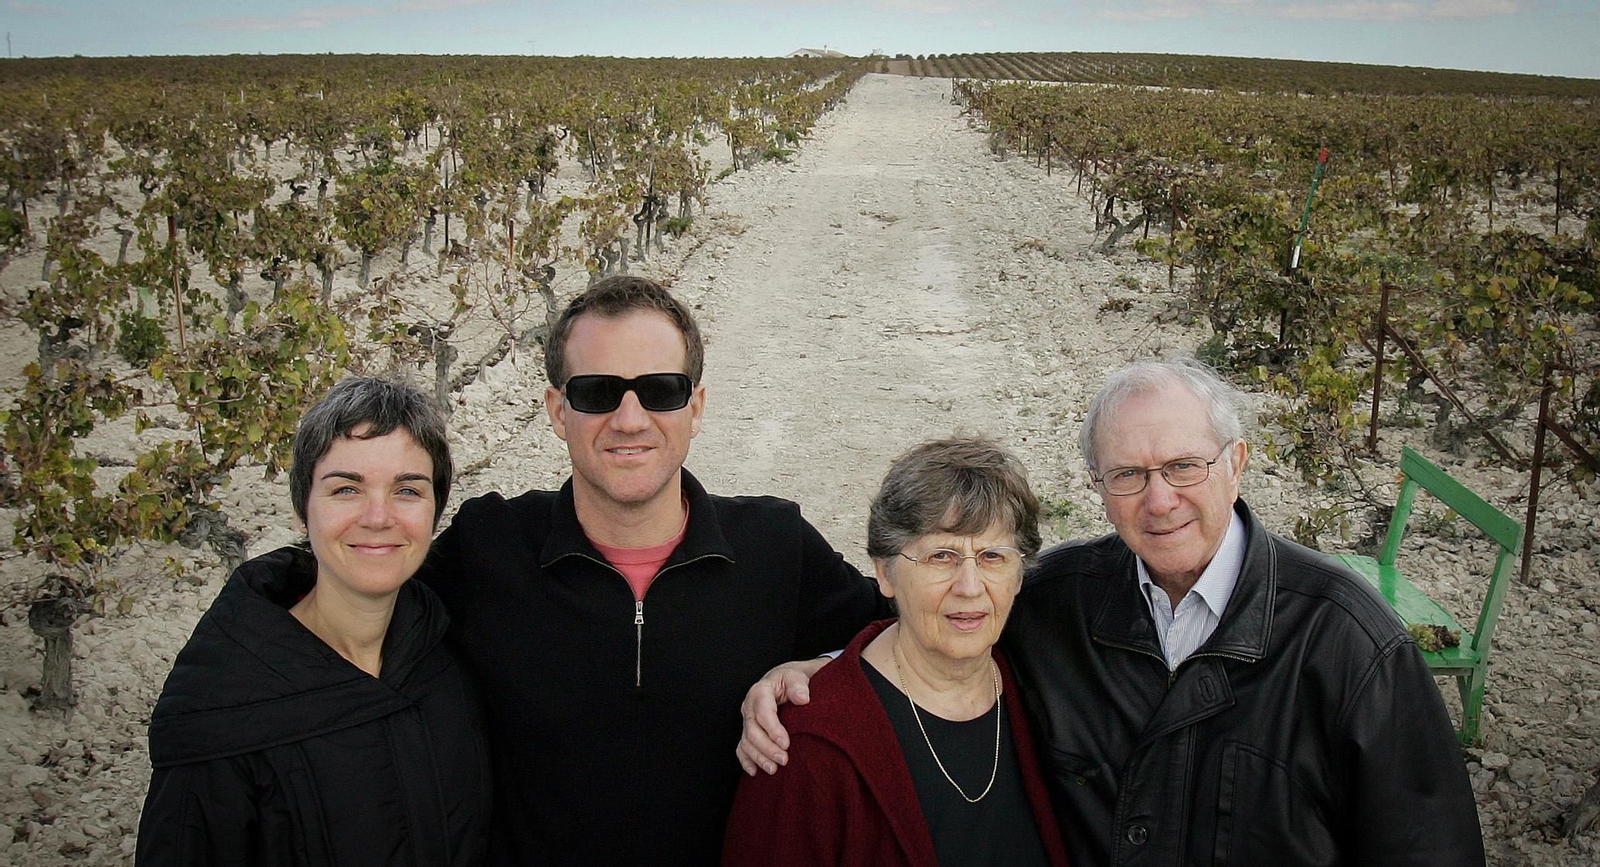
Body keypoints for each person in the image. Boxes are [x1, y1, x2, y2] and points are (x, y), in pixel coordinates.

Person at [739, 357, 1486, 867]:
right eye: (1128, 473)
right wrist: (819, 675)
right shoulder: (1059, 599)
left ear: (1237, 462)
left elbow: (1429, 848)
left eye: (1182, 466)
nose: (1159, 500)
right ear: (1097, 484)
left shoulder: (1349, 643)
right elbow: (942, 639)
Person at [414, 275, 885, 865]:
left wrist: (820, 664)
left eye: (660, 390)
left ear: (696, 408)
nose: (630, 419)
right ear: (558, 411)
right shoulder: (489, 547)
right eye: (597, 392)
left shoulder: (776, 548)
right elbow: (349, 605)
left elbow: (911, 631)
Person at [137, 377, 489, 866]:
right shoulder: (223, 709)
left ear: (435, 511)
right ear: (305, 507)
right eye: (346, 489)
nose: (378, 516)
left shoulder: (451, 658)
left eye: (408, 490)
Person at [723, 438, 1071, 867]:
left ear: (1020, 575)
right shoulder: (807, 745)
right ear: (885, 573)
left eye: (993, 556)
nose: (969, 586)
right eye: (941, 556)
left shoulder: (1042, 686)